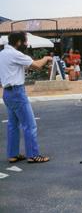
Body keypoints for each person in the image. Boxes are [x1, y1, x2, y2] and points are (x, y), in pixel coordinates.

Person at [0, 31, 52, 163]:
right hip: (17, 92)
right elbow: (37, 65)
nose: (26, 44)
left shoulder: (2, 54)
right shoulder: (15, 54)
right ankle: (33, 155)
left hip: (7, 92)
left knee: (13, 125)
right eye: (25, 41)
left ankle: (13, 154)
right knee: (30, 125)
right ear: (18, 42)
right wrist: (46, 58)